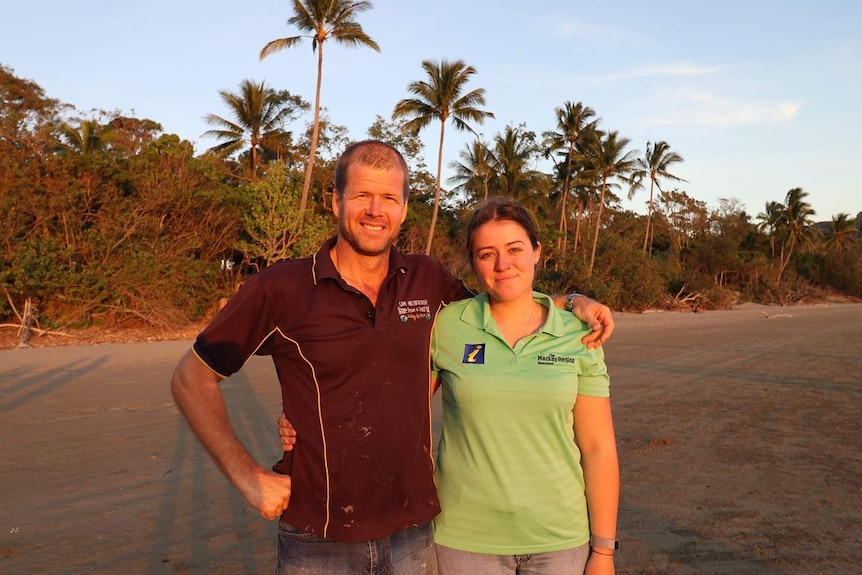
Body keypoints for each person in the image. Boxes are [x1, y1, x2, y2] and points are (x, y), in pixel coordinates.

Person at [171, 140, 614, 575]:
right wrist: (247, 476)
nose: (374, 210)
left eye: (388, 198)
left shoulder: (427, 281)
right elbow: (192, 378)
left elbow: (503, 301)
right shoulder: (281, 288)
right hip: (319, 534)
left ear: (403, 209)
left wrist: (571, 300)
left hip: (415, 529)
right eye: (361, 195)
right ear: (335, 202)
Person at [430, 198, 619, 574]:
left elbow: (597, 447)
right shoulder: (448, 325)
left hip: (561, 539)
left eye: (515, 249)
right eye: (487, 254)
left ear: (536, 252)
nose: (503, 264)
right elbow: (399, 411)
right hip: (464, 540)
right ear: (473, 262)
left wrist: (604, 551)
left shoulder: (579, 333)